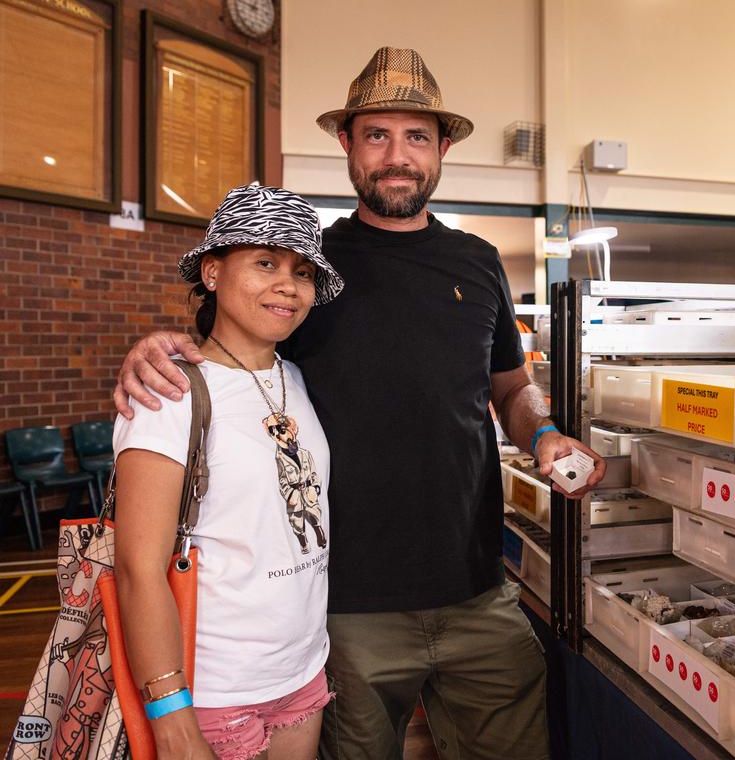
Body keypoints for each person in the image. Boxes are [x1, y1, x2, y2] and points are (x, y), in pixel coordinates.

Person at [114, 47, 607, 760]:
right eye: (377, 135)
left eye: (416, 137)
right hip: (344, 608)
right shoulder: (314, 265)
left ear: (442, 149)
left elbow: (509, 385)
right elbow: (230, 347)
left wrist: (546, 433)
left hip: (477, 588)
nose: (397, 156)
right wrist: (154, 347)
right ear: (347, 144)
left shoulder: (478, 261)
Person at [113, 184, 343, 760]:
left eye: (303, 272)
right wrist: (170, 714)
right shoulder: (167, 391)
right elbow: (137, 569)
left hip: (301, 672)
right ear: (212, 274)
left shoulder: (298, 378)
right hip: (212, 687)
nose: (288, 285)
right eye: (265, 263)